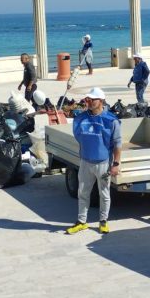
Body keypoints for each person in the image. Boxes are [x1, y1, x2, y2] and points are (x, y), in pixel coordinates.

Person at [66, 88, 121, 235]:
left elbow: (117, 143)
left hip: (103, 163)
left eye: (93, 100)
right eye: (88, 99)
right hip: (85, 162)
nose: (89, 102)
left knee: (104, 193)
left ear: (101, 101)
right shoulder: (81, 119)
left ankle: (103, 221)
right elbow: (78, 135)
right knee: (83, 192)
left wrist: (116, 164)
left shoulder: (111, 120)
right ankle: (81, 221)